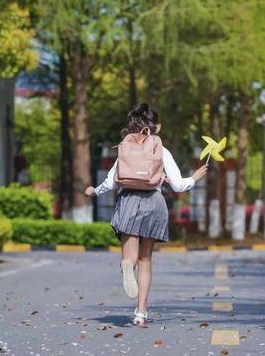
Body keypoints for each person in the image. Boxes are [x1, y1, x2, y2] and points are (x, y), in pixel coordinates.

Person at [85, 103, 208, 327]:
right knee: (146, 260)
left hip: (129, 202)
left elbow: (111, 181)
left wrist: (94, 190)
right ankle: (141, 312)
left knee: (130, 257)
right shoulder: (161, 150)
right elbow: (179, 185)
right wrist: (195, 177)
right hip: (154, 202)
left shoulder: (126, 147)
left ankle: (127, 265)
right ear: (157, 127)